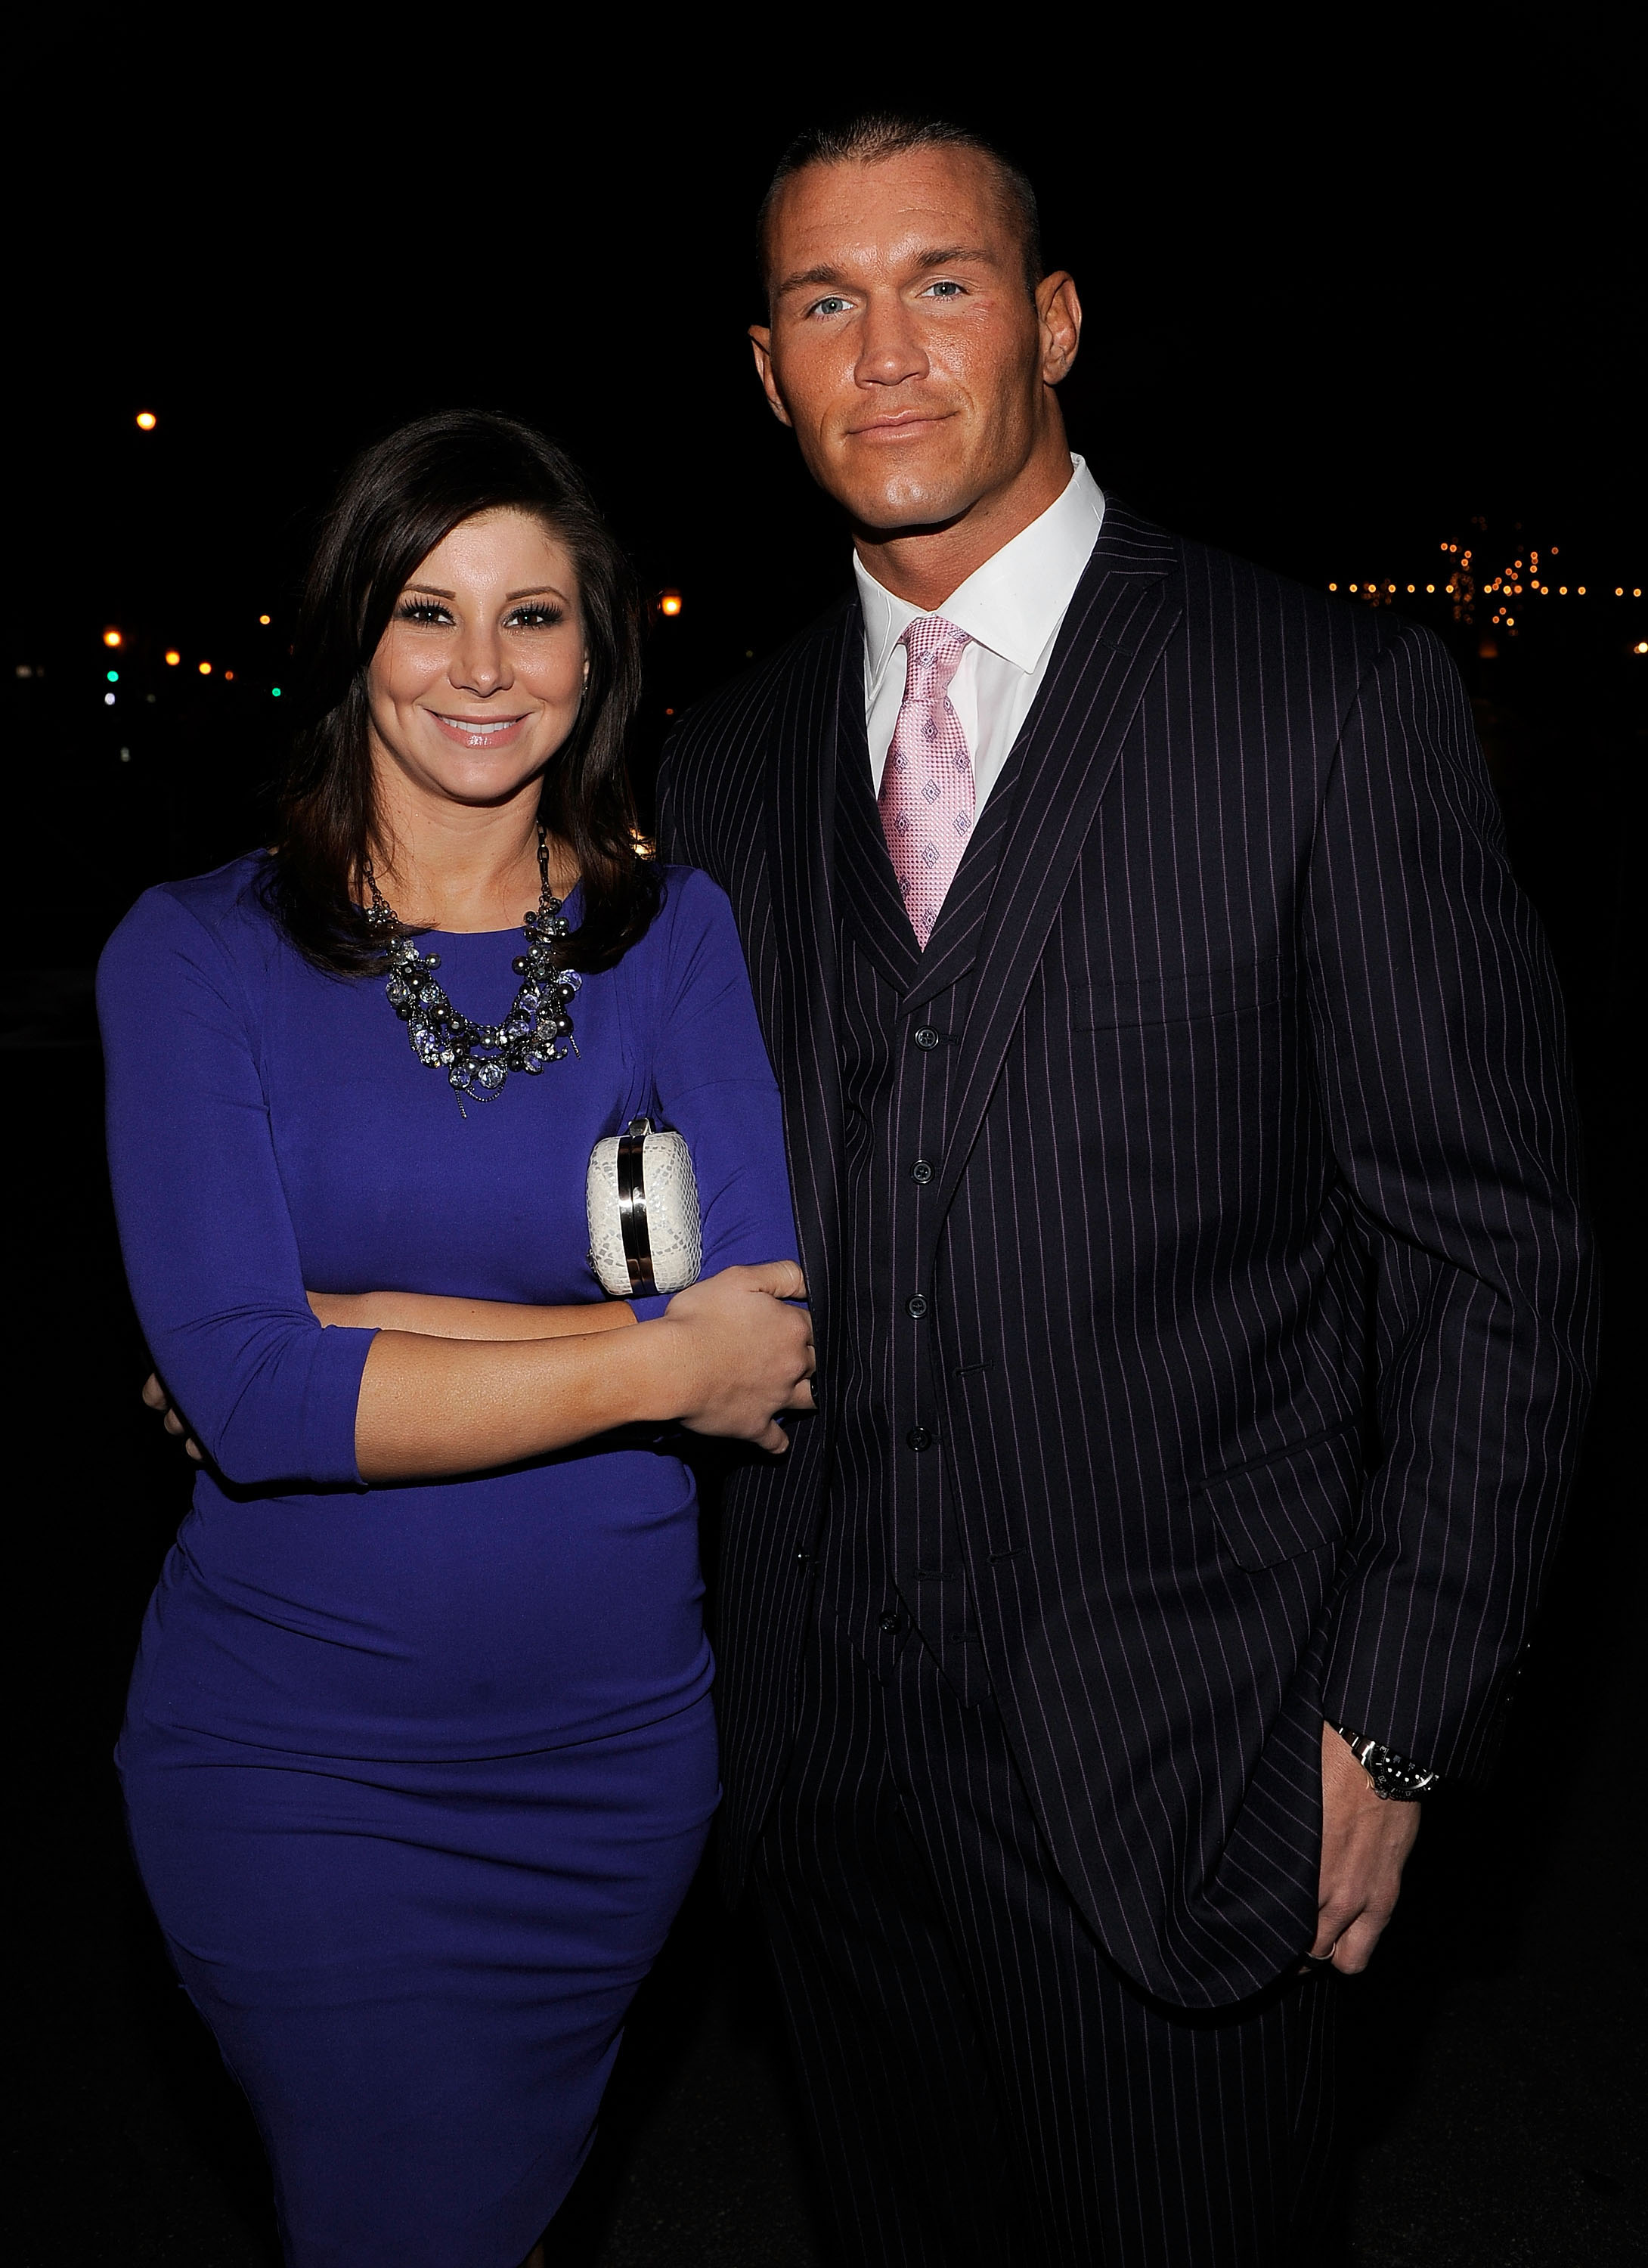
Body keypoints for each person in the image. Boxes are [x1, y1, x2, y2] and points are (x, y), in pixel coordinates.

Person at [652, 115, 1597, 2264]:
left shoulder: (1322, 701)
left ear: (1052, 321)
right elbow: (650, 1199)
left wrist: (1398, 1718)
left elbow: (1491, 1260)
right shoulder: (721, 765)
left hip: (1188, 1771)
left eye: (942, 284)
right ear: (766, 368)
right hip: (821, 1796)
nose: (884, 352)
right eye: (825, 303)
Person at [101, 410, 813, 2268]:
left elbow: (772, 1318)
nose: (482, 672)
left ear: (600, 652)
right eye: (427, 613)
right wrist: (653, 1361)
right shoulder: (195, 956)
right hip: (297, 1768)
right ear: (355, 640)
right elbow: (256, 1402)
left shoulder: (674, 937)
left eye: (534, 617)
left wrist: (348, 1318)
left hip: (610, 1767)